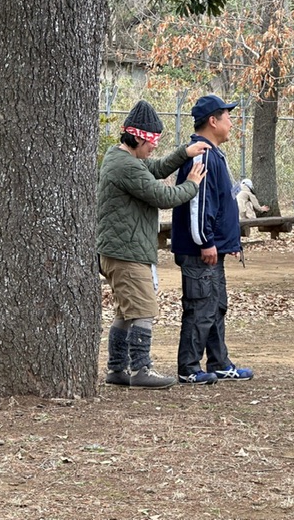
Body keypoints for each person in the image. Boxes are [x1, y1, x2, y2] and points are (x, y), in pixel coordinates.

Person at [97, 100, 209, 389]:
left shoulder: (121, 158)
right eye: (151, 142)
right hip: (126, 253)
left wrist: (184, 153)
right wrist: (192, 184)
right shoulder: (126, 166)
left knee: (126, 313)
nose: (153, 148)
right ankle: (141, 370)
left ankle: (117, 369)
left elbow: (156, 168)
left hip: (120, 250)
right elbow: (163, 196)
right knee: (144, 310)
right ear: (136, 138)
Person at [171, 94, 254, 385]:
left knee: (216, 306)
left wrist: (228, 243)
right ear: (213, 121)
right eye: (227, 117)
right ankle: (189, 368)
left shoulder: (214, 154)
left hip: (214, 250)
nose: (231, 122)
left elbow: (220, 203)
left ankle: (219, 363)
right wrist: (205, 241)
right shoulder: (202, 155)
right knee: (200, 308)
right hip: (200, 252)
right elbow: (199, 203)